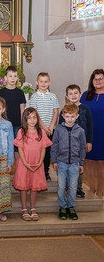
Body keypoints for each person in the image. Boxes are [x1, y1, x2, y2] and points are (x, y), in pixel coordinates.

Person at [13, 108, 52, 221]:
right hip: (24, 163)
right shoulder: (21, 131)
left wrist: (40, 162)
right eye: (29, 117)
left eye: (34, 117)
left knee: (34, 187)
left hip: (37, 163)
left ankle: (33, 208)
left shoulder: (42, 132)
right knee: (24, 186)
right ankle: (24, 208)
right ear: (25, 119)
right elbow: (19, 148)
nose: (32, 120)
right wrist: (24, 163)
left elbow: (43, 148)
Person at [51, 103, 86, 221]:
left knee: (72, 186)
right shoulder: (59, 130)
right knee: (61, 186)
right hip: (61, 162)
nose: (70, 119)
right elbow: (54, 145)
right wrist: (54, 161)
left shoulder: (80, 131)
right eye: (67, 116)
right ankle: (62, 207)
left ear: (77, 116)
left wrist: (81, 163)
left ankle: (71, 206)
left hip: (75, 163)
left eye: (72, 116)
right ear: (63, 116)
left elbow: (82, 148)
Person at [58, 84, 93, 198]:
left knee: (79, 166)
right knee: (66, 166)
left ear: (80, 94)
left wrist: (89, 141)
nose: (73, 95)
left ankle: (78, 187)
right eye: (70, 93)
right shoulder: (64, 111)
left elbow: (90, 126)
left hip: (80, 145)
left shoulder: (85, 109)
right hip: (66, 145)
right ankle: (67, 187)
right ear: (67, 96)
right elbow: (59, 128)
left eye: (76, 93)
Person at [29, 72, 60, 181]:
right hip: (39, 129)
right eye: (41, 81)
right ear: (37, 83)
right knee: (38, 151)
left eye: (45, 81)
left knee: (48, 151)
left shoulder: (53, 96)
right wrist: (44, 127)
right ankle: (38, 171)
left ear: (49, 83)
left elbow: (56, 112)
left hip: (51, 129)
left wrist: (51, 126)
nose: (43, 83)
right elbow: (35, 114)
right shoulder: (34, 96)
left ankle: (46, 171)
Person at [80, 69, 104, 197]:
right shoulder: (85, 95)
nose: (98, 81)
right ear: (92, 81)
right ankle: (91, 188)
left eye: (100, 78)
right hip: (88, 133)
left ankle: (100, 191)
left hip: (103, 133)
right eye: (95, 79)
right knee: (89, 161)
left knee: (101, 163)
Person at [0, 66, 26, 158]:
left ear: (17, 78)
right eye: (10, 76)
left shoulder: (20, 93)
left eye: (15, 76)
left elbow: (22, 110)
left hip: (17, 124)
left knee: (17, 147)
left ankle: (18, 168)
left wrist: (23, 125)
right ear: (5, 78)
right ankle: (4, 167)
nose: (13, 78)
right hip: (4, 123)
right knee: (4, 145)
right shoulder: (1, 93)